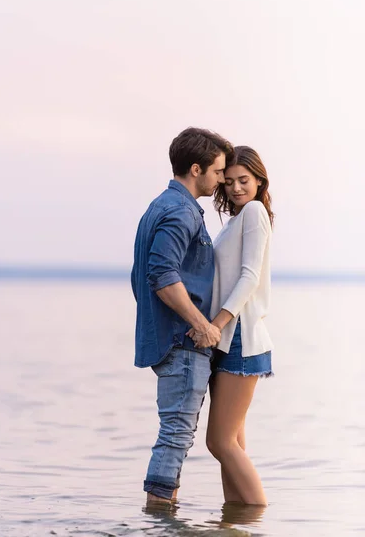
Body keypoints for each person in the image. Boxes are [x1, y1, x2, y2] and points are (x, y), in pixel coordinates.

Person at [131, 127, 233, 505]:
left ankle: (162, 517)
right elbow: (161, 277)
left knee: (176, 433)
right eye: (219, 171)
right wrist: (201, 324)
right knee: (175, 435)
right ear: (196, 168)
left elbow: (140, 276)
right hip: (183, 343)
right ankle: (160, 520)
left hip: (169, 339)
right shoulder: (180, 212)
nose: (222, 179)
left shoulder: (160, 206)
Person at [187, 146, 274, 506]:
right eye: (231, 181)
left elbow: (249, 277)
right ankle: (235, 522)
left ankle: (257, 515)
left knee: (219, 442)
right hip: (228, 340)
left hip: (240, 338)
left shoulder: (254, 212)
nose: (237, 187)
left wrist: (216, 323)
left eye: (245, 180)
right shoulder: (236, 219)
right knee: (233, 443)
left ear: (258, 181)